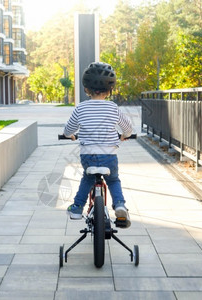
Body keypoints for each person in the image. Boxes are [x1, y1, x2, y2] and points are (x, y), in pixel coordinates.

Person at [63, 62, 133, 228]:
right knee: (114, 180)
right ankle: (120, 205)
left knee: (87, 178)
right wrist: (124, 136)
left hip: (88, 155)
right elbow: (128, 128)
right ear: (110, 90)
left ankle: (77, 207)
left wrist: (71, 136)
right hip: (109, 155)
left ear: (86, 89)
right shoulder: (113, 107)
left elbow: (68, 130)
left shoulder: (81, 108)